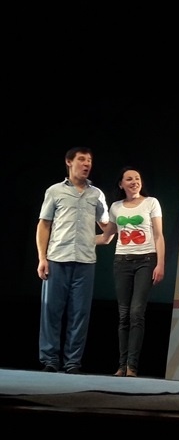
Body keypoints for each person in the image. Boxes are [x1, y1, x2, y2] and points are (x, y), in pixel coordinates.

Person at [36, 146, 110, 374]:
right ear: (69, 162)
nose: (87, 164)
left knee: (80, 314)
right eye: (82, 159)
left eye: (90, 160)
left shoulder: (96, 194)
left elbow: (106, 226)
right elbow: (44, 225)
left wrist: (123, 221)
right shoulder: (55, 191)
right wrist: (42, 258)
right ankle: (50, 360)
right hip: (57, 258)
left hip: (85, 262)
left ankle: (72, 362)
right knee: (51, 311)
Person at [97, 166, 164, 377]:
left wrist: (160, 264)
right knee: (124, 314)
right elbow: (106, 236)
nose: (134, 182)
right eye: (129, 179)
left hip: (146, 260)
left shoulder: (151, 202)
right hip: (122, 262)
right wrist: (78, 239)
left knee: (136, 313)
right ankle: (121, 365)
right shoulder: (116, 207)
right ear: (121, 184)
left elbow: (159, 235)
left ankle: (132, 366)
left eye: (137, 178)